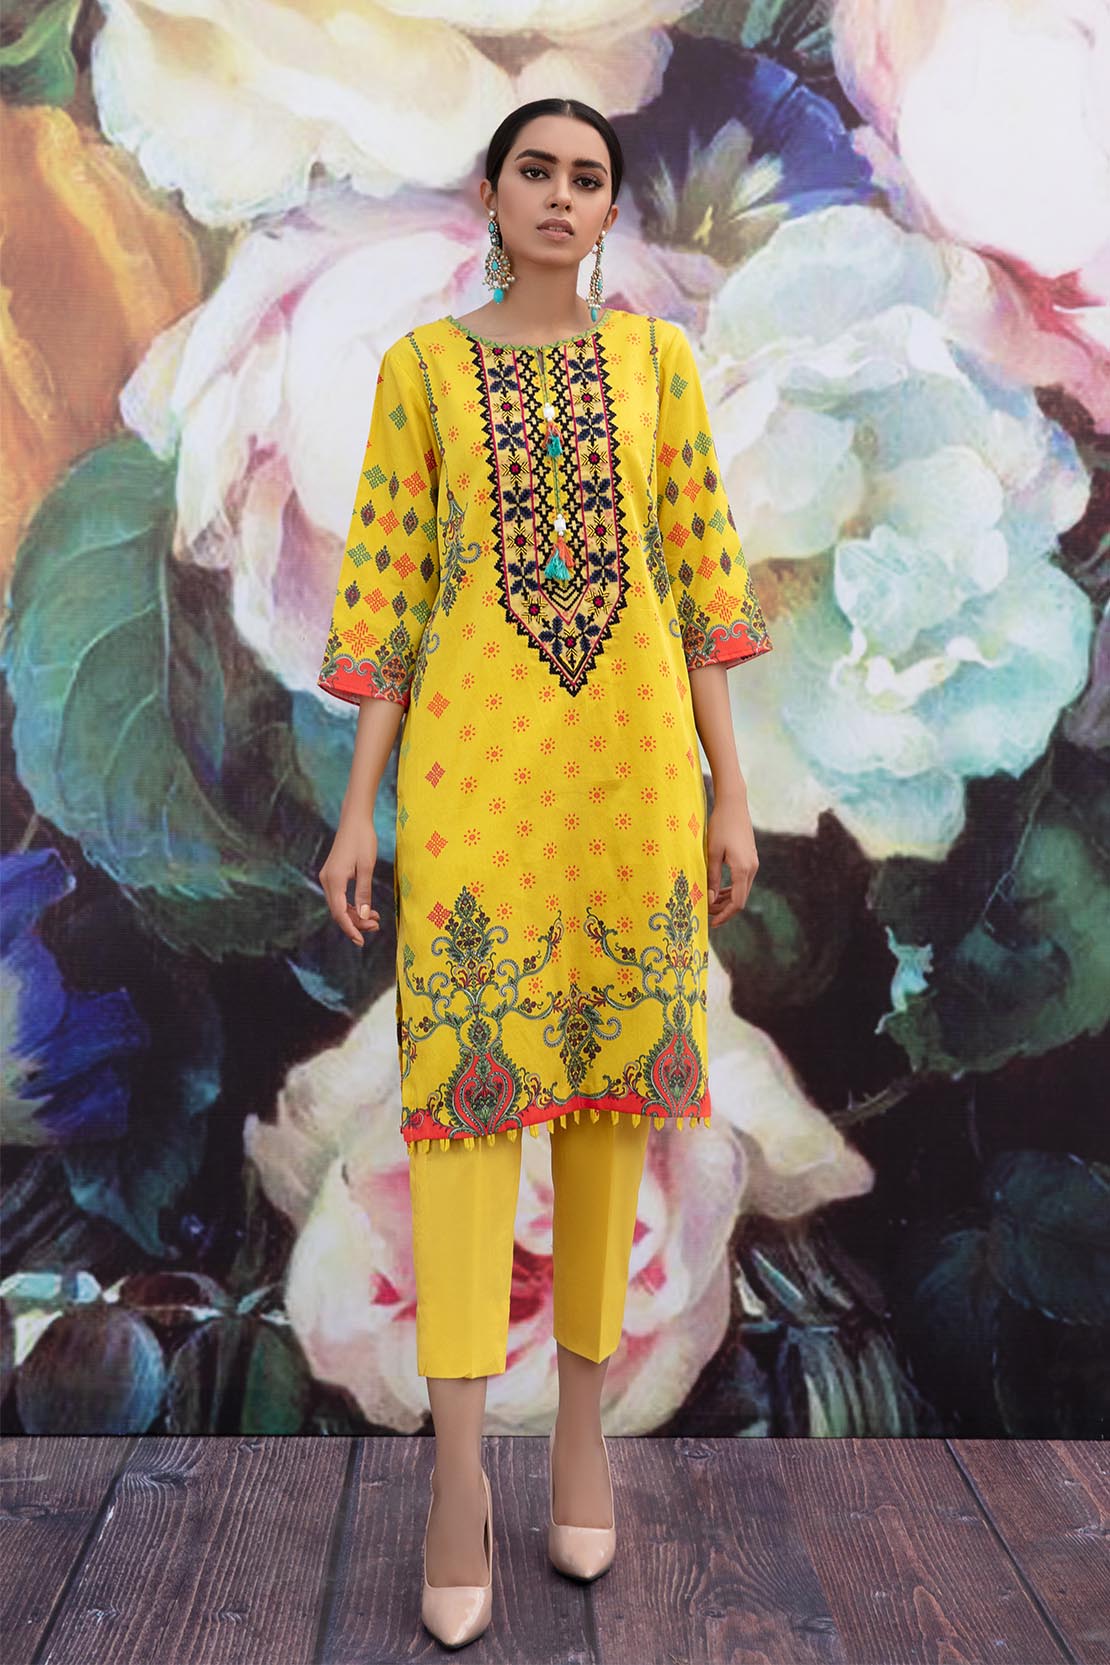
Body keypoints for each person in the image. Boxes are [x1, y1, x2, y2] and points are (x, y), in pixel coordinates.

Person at [316, 96, 774, 1648]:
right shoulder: (422, 374)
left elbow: (701, 584)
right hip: (472, 786)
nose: (563, 197)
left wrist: (729, 792)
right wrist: (356, 813)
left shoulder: (657, 369)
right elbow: (385, 604)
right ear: (491, 193)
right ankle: (456, 1482)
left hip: (631, 788)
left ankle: (581, 1440)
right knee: (463, 1119)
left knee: (607, 1113)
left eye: (588, 177)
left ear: (609, 208)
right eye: (538, 172)